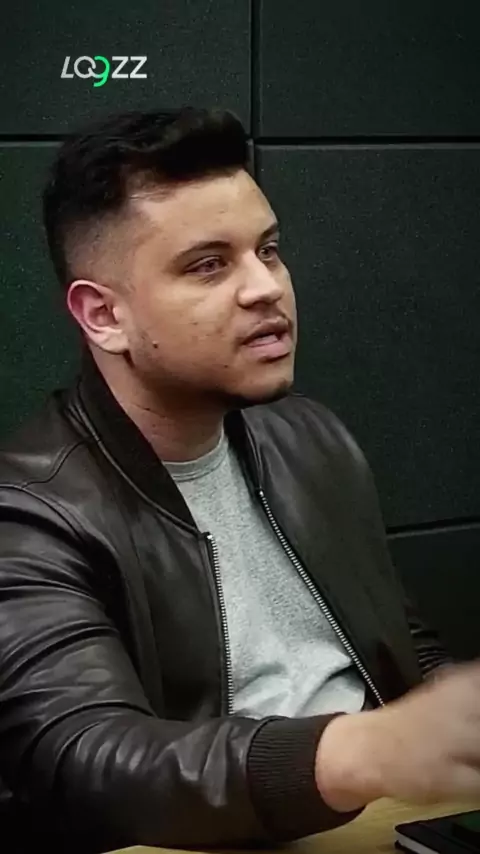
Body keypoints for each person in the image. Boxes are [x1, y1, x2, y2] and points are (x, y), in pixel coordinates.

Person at [0, 106, 479, 854]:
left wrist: (453, 715)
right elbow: (90, 756)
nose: (266, 288)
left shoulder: (308, 437)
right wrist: (363, 750)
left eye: (269, 250)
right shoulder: (29, 512)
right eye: (208, 265)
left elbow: (398, 647)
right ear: (103, 315)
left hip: (390, 820)